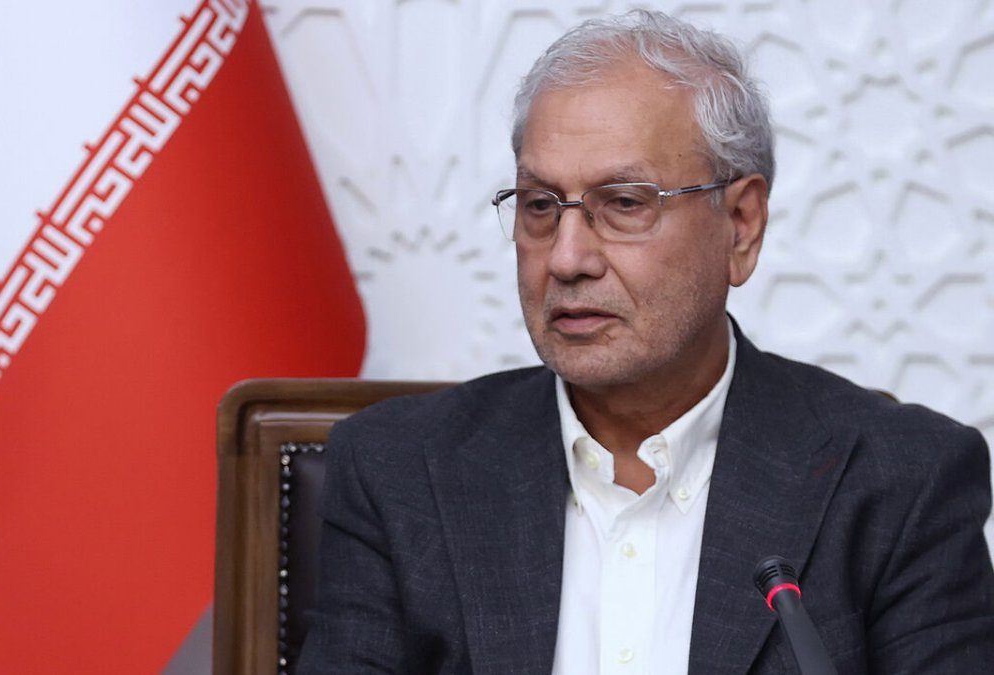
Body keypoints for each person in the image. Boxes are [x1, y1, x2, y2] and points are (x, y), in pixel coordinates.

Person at [297, 9, 994, 674]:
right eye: (540, 206)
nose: (566, 257)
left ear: (741, 225)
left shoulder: (897, 481)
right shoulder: (400, 472)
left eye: (624, 204)